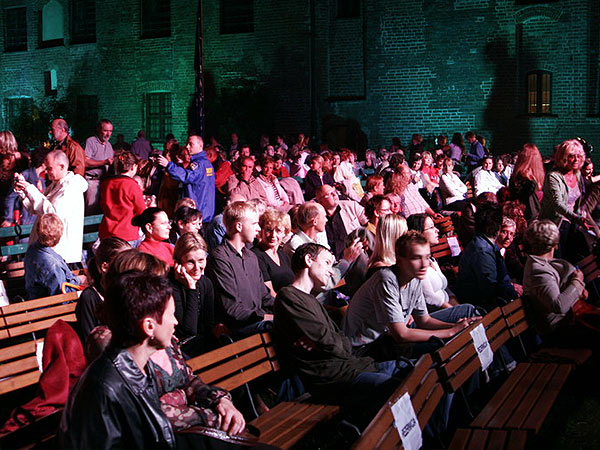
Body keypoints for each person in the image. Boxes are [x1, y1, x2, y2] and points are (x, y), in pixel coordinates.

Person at [273, 243, 408, 422]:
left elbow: (339, 339)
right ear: (308, 260)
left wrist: (326, 342)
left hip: (352, 366)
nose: (331, 271)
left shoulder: (310, 300)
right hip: (335, 378)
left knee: (422, 370)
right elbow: (331, 341)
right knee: (400, 389)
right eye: (328, 263)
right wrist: (329, 342)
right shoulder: (288, 297)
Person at [59, 272, 178, 449]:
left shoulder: (142, 367)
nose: (175, 322)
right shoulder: (104, 388)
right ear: (149, 326)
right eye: (171, 315)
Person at [344, 231, 476, 360]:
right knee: (454, 343)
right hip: (366, 347)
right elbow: (401, 335)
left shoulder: (415, 277)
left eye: (427, 257)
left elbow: (424, 320)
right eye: (417, 258)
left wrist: (455, 326)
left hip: (388, 338)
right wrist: (451, 332)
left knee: (467, 316)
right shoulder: (386, 279)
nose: (425, 264)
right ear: (400, 260)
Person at [206, 201, 274, 337]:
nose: (259, 229)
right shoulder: (220, 257)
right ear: (239, 226)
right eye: (254, 224)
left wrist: (289, 308)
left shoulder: (251, 257)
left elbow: (265, 297)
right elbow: (233, 310)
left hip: (257, 322)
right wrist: (268, 317)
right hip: (239, 328)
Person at [14, 150, 88, 264]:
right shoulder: (56, 184)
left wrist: (30, 189)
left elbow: (52, 213)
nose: (46, 172)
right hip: (49, 253)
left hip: (61, 256)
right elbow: (37, 209)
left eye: (49, 168)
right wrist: (23, 192)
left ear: (62, 166)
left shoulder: (72, 187)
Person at [522, 220, 588, 338]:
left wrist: (577, 292)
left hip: (566, 322)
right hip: (559, 329)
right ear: (555, 245)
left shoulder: (540, 263)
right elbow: (559, 306)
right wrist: (577, 282)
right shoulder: (538, 271)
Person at [455, 203, 521, 311]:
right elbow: (490, 289)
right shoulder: (482, 251)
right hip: (482, 307)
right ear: (498, 227)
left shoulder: (485, 244)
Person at [539, 139, 593, 262]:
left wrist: (579, 217)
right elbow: (558, 204)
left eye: (578, 157)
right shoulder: (553, 176)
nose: (575, 160)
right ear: (563, 157)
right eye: (571, 157)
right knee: (559, 262)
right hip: (555, 225)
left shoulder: (578, 173)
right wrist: (576, 218)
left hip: (572, 223)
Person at [75, 237, 131, 343]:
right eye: (124, 262)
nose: (129, 267)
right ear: (105, 267)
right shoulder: (90, 297)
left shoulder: (126, 292)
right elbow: (90, 342)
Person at [170, 233, 216, 358]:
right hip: (182, 349)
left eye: (201, 260)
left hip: (202, 344)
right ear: (178, 263)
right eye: (190, 262)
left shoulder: (206, 283)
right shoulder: (170, 286)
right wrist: (191, 288)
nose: (197, 268)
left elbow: (208, 325)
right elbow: (189, 331)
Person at [158, 135, 216, 223]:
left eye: (191, 144)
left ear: (200, 145)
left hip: (197, 212)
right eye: (187, 144)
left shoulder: (198, 164)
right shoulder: (206, 163)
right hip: (204, 211)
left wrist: (169, 165)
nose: (187, 146)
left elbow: (187, 176)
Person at [24, 213, 81, 300]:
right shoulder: (52, 265)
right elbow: (63, 295)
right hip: (51, 306)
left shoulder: (33, 249)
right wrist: (78, 281)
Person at [407, 214, 455, 310]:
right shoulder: (416, 264)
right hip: (436, 313)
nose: (437, 230)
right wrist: (456, 310)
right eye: (432, 227)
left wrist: (456, 304)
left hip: (449, 306)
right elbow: (430, 298)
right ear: (419, 233)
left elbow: (445, 290)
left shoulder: (432, 259)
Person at [99, 151, 146, 245]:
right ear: (134, 167)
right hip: (127, 234)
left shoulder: (105, 184)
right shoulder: (132, 185)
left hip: (107, 232)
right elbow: (142, 211)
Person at [315, 184, 368, 260]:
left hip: (357, 256)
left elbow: (370, 223)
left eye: (334, 191)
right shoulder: (318, 217)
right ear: (320, 201)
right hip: (332, 261)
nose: (334, 194)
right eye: (328, 194)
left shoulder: (352, 206)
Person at [252, 209, 294, 297]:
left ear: (285, 233)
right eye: (269, 230)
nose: (273, 235)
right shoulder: (255, 255)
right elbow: (269, 292)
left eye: (278, 231)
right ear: (261, 231)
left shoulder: (284, 256)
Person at [3, 146, 48, 227]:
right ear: (43, 161)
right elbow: (11, 197)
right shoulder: (25, 175)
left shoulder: (42, 179)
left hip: (36, 224)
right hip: (24, 222)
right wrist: (8, 218)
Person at [84, 119, 114, 215]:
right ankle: (89, 229)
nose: (108, 134)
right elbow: (85, 162)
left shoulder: (109, 145)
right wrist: (104, 162)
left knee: (102, 210)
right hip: (92, 181)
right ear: (98, 130)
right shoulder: (90, 141)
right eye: (105, 131)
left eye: (110, 131)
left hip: (104, 182)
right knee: (91, 210)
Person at [509, 143, 545, 221]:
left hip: (535, 214)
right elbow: (525, 194)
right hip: (526, 215)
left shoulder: (537, 174)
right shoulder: (521, 177)